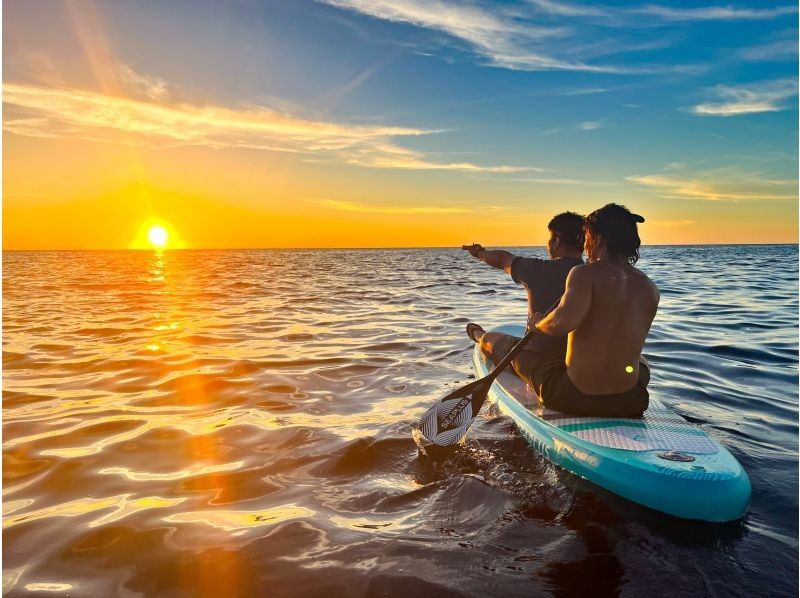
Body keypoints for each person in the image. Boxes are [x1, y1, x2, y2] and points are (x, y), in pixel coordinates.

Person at [469, 203, 658, 418]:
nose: (585, 245)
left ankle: (478, 335)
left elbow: (562, 323)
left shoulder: (583, 274)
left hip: (572, 396)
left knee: (517, 355)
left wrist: (538, 323)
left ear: (599, 238)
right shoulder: (649, 286)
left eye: (587, 236)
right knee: (641, 361)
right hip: (631, 401)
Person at [462, 211, 584, 361]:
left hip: (536, 359)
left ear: (556, 240)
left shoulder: (537, 270)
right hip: (575, 360)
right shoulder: (595, 276)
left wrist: (478, 252)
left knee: (489, 338)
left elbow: (502, 259)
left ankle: (477, 334)